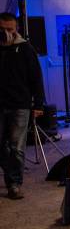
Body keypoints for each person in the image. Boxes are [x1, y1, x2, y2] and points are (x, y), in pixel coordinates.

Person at [0, 12, 45, 200]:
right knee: (3, 146)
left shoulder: (26, 49)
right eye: (2, 29)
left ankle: (14, 184)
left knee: (17, 147)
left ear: (16, 28)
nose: (6, 33)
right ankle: (11, 175)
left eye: (9, 29)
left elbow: (36, 77)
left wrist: (38, 103)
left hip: (20, 104)